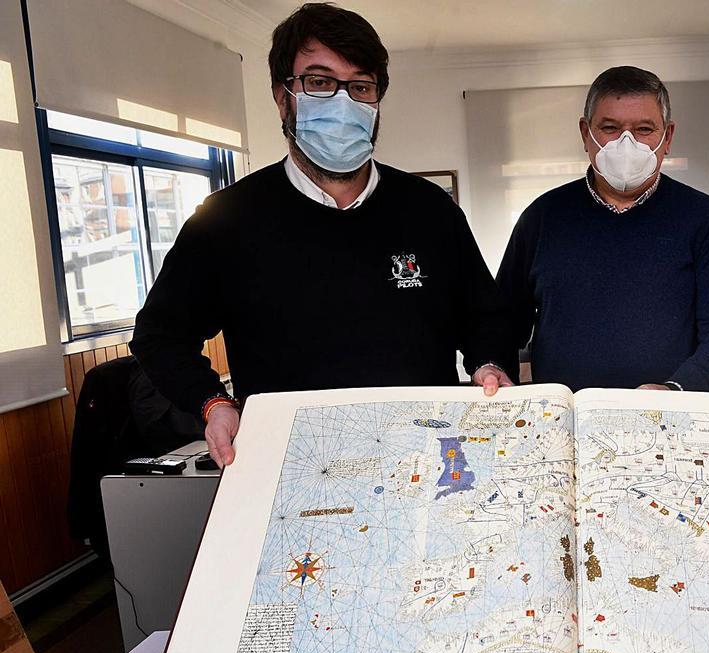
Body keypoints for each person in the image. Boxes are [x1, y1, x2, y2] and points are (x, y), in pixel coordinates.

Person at [131, 3, 515, 467]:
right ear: (282, 96)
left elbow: (482, 315)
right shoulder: (225, 220)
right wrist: (213, 404)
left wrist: (489, 363)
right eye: (318, 82)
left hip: (422, 462)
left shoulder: (430, 209)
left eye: (359, 86)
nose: (342, 102)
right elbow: (159, 334)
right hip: (293, 470)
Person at [496, 66, 709, 392]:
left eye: (644, 129)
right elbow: (502, 323)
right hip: (565, 422)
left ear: (668, 137)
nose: (626, 142)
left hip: (667, 422)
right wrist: (493, 366)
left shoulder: (706, 219)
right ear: (585, 133)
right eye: (610, 127)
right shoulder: (542, 217)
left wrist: (676, 390)